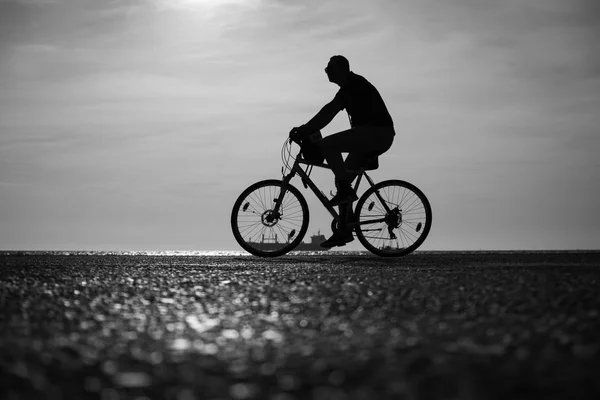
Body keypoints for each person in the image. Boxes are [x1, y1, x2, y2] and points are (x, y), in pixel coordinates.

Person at [289, 55, 395, 248]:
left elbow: (329, 111)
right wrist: (307, 128)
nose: (326, 71)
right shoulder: (349, 85)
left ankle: (346, 193)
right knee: (342, 178)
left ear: (341, 69)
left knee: (328, 145)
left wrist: (305, 129)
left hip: (376, 133)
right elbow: (328, 111)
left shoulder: (353, 84)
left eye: (329, 68)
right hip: (373, 135)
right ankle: (344, 230)